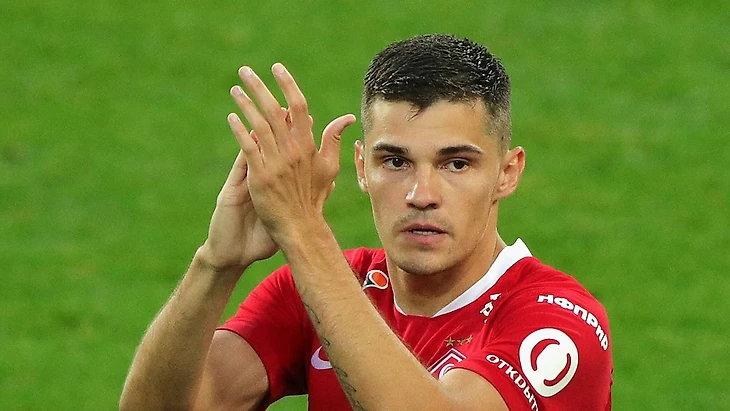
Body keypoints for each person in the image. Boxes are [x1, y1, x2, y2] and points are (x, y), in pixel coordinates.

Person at [120, 34, 613, 411]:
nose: (421, 195)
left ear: (507, 173)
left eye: (456, 164)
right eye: (396, 162)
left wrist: (303, 231)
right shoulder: (325, 287)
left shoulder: (560, 324)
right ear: (361, 167)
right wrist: (216, 263)